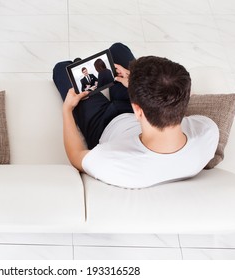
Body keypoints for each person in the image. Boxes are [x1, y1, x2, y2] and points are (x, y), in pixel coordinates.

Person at [53, 43, 219, 189]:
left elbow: (76, 156)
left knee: (62, 68)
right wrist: (132, 82)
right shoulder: (208, 130)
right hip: (147, 109)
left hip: (102, 125)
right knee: (118, 49)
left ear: (138, 110)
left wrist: (67, 110)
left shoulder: (112, 162)